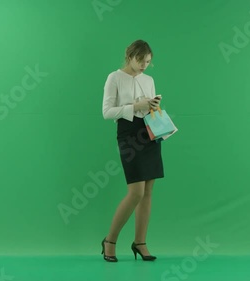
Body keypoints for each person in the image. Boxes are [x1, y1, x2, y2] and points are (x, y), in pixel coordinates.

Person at [100, 39, 164, 262]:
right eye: (140, 60)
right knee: (135, 192)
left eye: (147, 61)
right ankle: (110, 241)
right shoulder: (114, 77)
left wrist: (153, 105)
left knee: (147, 192)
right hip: (128, 133)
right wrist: (134, 107)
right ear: (129, 56)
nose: (144, 65)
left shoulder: (149, 80)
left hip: (149, 131)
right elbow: (107, 112)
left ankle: (140, 242)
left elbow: (150, 108)